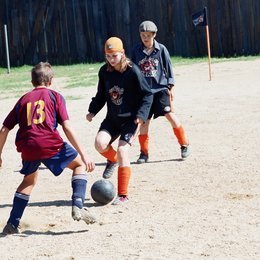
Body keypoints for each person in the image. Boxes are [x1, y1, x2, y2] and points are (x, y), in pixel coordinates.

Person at [0, 62, 96, 235]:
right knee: (79, 165)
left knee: (29, 181)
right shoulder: (55, 97)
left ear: (32, 82)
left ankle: (12, 223)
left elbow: (4, 129)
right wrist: (84, 154)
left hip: (28, 146)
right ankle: (78, 205)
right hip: (50, 144)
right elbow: (66, 127)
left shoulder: (23, 99)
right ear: (51, 81)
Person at [86, 37, 152, 205]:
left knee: (123, 151)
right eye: (107, 56)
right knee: (99, 144)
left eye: (114, 55)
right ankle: (112, 159)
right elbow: (101, 95)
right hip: (113, 119)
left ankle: (123, 194)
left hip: (131, 119)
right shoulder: (104, 71)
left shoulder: (133, 71)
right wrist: (92, 110)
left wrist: (141, 115)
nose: (111, 59)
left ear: (122, 53)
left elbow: (147, 94)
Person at [131, 20, 191, 163]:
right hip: (144, 93)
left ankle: (184, 145)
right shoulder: (135, 51)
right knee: (144, 122)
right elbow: (132, 71)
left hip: (160, 89)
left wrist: (171, 89)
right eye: (143, 35)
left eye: (148, 35)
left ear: (154, 35)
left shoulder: (162, 49)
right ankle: (144, 153)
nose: (145, 38)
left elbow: (169, 71)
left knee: (170, 115)